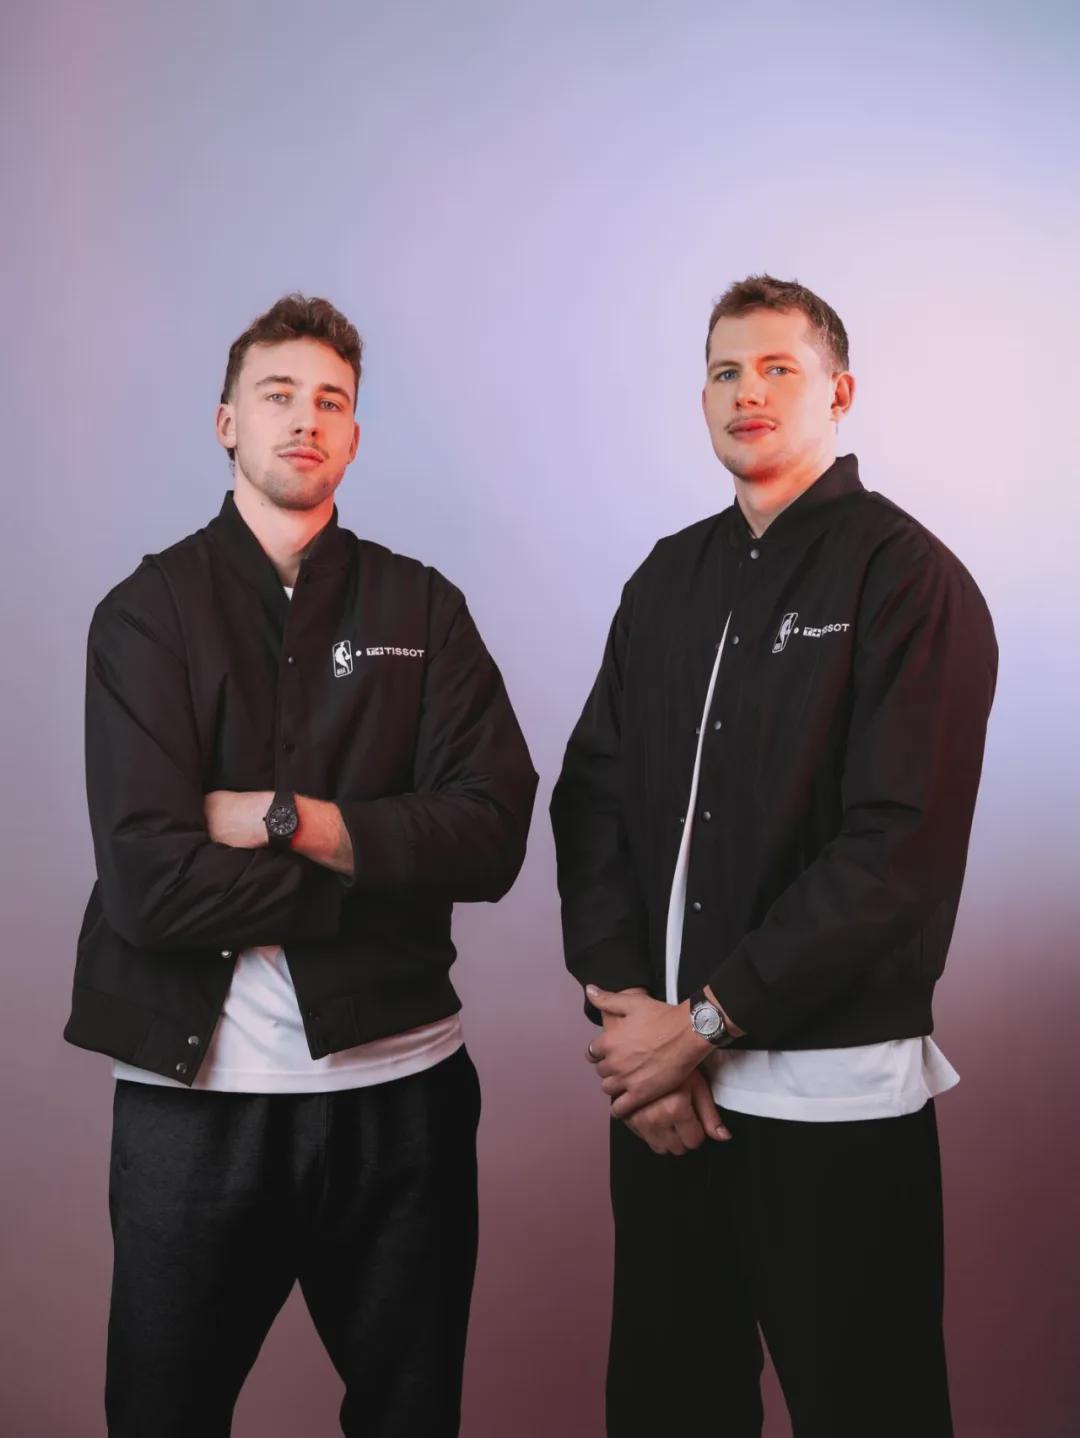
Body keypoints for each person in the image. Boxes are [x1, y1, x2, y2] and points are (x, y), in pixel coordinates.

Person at [66, 293, 537, 1438]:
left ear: (356, 436)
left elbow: (493, 833)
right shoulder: (145, 615)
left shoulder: (422, 607)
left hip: (403, 1094)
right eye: (278, 394)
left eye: (331, 401)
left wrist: (295, 821)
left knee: (410, 1415)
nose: (305, 418)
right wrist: (382, 868)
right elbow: (148, 887)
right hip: (195, 1107)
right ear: (227, 421)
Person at [550, 275, 997, 1438]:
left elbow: (895, 852)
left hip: (832, 1099)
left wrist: (703, 1023)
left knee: (870, 1409)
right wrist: (631, 1022)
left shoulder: (907, 578)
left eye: (778, 368)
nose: (747, 390)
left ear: (839, 393)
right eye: (724, 370)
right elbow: (591, 801)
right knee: (668, 1410)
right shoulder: (666, 578)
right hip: (665, 1102)